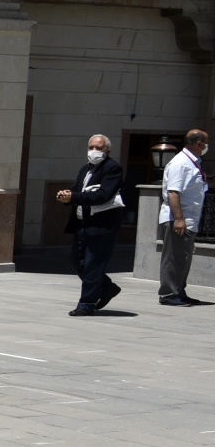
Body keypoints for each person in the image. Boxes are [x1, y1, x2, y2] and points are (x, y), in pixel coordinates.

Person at [56, 134, 125, 316]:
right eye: (91, 147)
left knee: (93, 265)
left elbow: (103, 195)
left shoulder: (112, 169)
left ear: (107, 150)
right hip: (82, 224)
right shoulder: (85, 169)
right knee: (77, 261)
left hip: (101, 227)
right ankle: (107, 287)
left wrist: (74, 197)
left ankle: (86, 304)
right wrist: (67, 196)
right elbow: (76, 191)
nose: (94, 151)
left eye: (99, 148)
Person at [158, 128, 207, 307]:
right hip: (178, 219)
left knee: (183, 258)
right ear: (199, 144)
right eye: (205, 144)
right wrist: (178, 219)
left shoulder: (191, 162)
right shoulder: (181, 163)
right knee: (173, 257)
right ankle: (169, 294)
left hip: (188, 219)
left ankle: (179, 291)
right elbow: (173, 192)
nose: (206, 147)